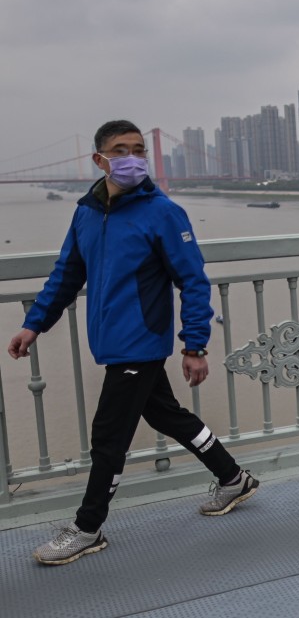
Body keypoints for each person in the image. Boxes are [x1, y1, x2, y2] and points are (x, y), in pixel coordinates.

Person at [7, 120, 258, 565]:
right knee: (167, 414)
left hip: (140, 341)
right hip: (109, 341)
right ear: (99, 159)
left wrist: (194, 345)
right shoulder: (87, 211)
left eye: (139, 150)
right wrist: (34, 325)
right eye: (121, 149)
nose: (132, 158)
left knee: (108, 437)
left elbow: (193, 282)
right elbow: (68, 274)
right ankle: (233, 478)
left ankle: (88, 528)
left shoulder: (163, 212)